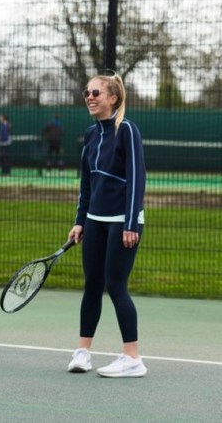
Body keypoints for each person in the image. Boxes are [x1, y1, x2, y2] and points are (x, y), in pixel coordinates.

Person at [67, 72, 147, 378]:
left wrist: (130, 223)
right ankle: (82, 352)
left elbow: (137, 179)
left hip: (123, 222)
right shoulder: (90, 135)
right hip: (95, 221)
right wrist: (80, 221)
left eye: (96, 93)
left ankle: (133, 358)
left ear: (113, 98)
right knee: (92, 286)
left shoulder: (127, 129)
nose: (89, 97)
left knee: (115, 286)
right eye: (87, 93)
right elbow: (86, 183)